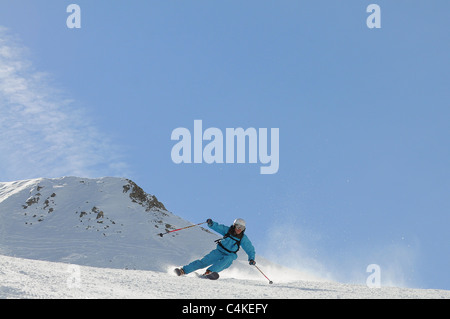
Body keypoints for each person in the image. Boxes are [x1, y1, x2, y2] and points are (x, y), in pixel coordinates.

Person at [174, 218, 256, 277]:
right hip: (219, 251)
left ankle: (210, 272)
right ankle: (183, 271)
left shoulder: (243, 238)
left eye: (242, 228)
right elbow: (218, 227)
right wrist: (211, 224)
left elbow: (250, 249)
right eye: (238, 226)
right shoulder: (228, 230)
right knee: (204, 262)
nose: (239, 229)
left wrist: (251, 258)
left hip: (230, 254)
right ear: (234, 226)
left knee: (228, 259)